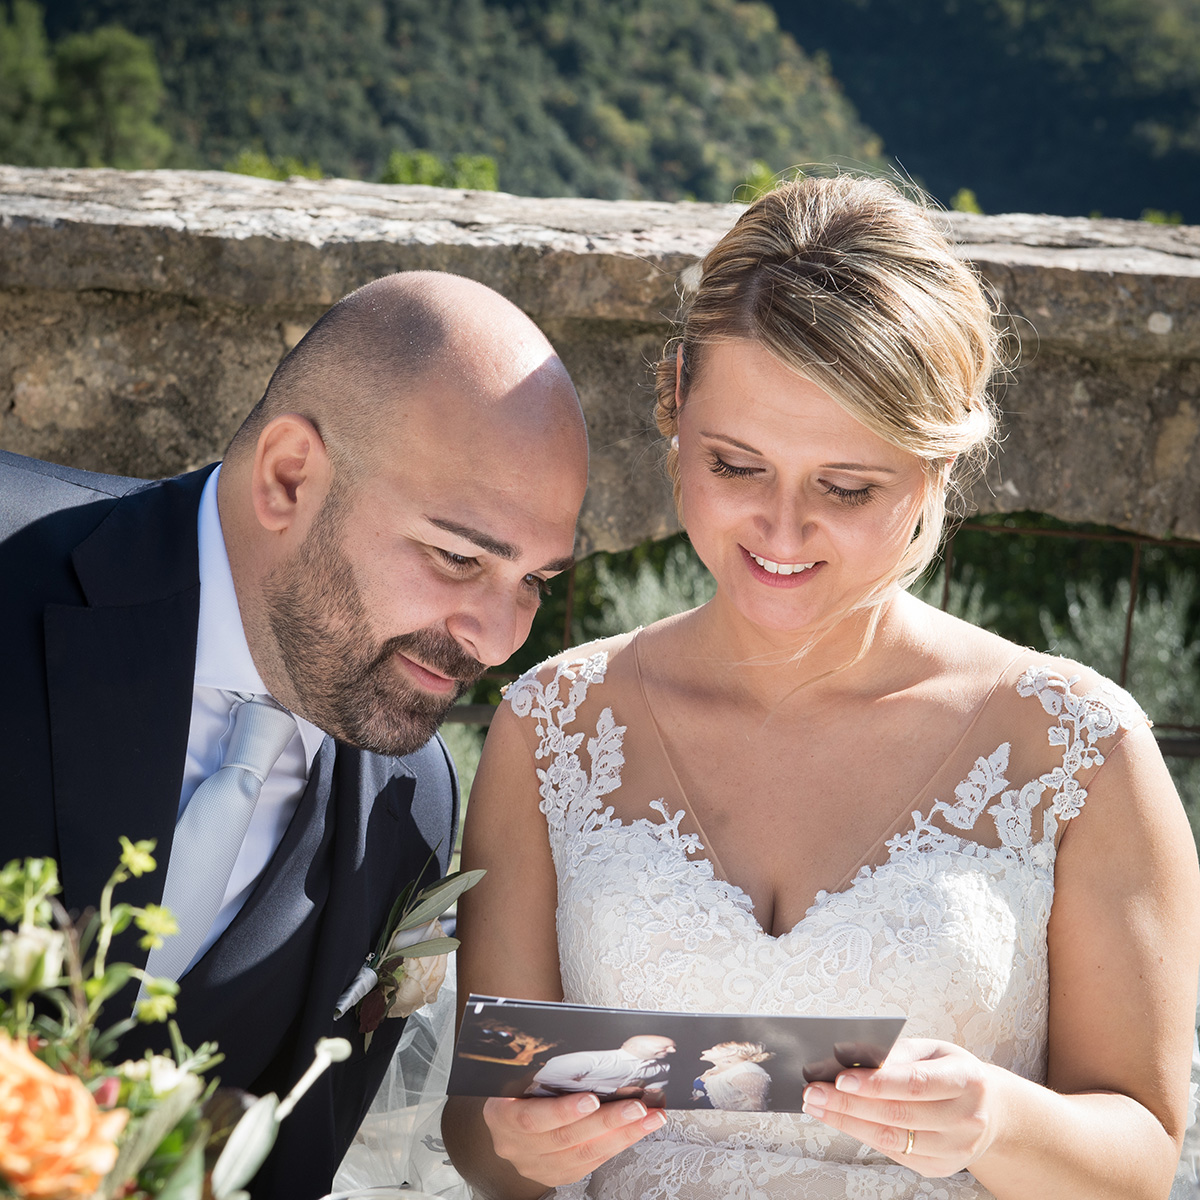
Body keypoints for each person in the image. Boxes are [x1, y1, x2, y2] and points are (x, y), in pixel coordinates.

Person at [442, 176, 1200, 1200]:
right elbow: (485, 1133)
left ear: (937, 466)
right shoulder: (553, 727)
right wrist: (520, 1145)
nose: (782, 532)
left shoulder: (1080, 750)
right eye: (736, 466)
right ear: (675, 401)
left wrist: (996, 1118)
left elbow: (1142, 1158)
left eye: (847, 488)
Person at [0, 271, 588, 1200]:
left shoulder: (415, 802)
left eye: (535, 582)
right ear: (289, 477)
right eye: (458, 557)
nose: (498, 636)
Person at [526, 1035, 676, 1101]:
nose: (672, 1051)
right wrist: (614, 1091)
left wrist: (654, 1088)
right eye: (665, 1047)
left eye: (672, 1048)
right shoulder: (591, 1059)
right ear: (632, 1047)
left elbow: (661, 1079)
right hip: (547, 1102)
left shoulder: (661, 1066)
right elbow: (545, 1078)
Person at [692, 1042, 773, 1112]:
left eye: (713, 1049)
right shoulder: (715, 1069)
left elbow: (758, 1106)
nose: (704, 1051)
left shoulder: (746, 1071)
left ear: (730, 1053)